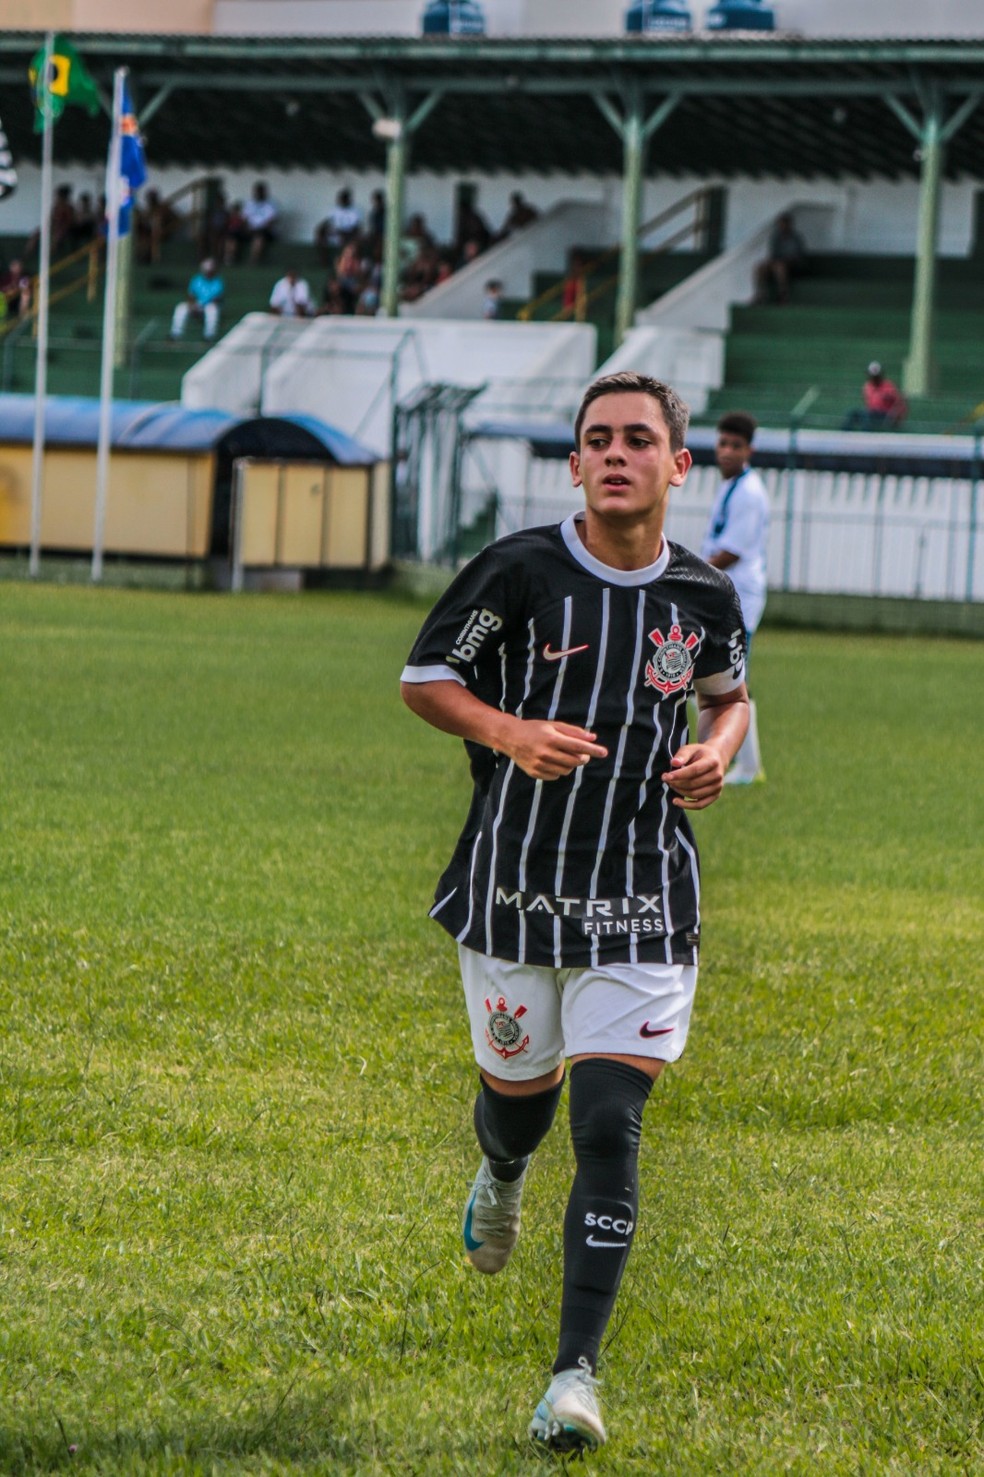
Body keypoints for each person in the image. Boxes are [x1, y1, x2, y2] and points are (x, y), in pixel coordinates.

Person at [400, 370, 749, 1455]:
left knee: (606, 1123)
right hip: (516, 887)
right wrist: (510, 732)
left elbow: (730, 696)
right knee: (520, 1105)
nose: (615, 455)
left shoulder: (703, 596)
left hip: (642, 890)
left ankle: (573, 1377)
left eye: (637, 439)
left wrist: (717, 752)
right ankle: (502, 1170)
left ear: (677, 465)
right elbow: (424, 678)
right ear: (575, 463)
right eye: (597, 439)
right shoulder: (518, 570)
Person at [700, 411, 769, 784]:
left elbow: (731, 552)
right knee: (711, 679)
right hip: (723, 597)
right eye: (723, 443)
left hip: (738, 599)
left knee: (732, 681)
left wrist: (691, 574)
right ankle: (727, 760)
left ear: (749, 451)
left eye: (736, 446)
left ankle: (746, 766)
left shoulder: (749, 492)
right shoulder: (732, 485)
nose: (726, 451)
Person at [753, 211, 805, 304]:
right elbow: (773, 254)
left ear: (789, 224)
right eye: (781, 224)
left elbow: (797, 256)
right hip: (777, 263)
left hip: (793, 266)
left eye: (784, 224)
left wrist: (785, 260)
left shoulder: (796, 238)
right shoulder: (776, 237)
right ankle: (760, 294)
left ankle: (783, 295)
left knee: (780, 267)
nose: (782, 226)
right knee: (760, 267)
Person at [169, 258, 225, 341]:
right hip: (196, 305)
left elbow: (217, 298)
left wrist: (202, 305)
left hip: (209, 305)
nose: (208, 273)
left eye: (210, 271)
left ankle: (209, 335)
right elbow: (191, 295)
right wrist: (192, 304)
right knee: (181, 307)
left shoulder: (218, 281)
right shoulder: (196, 279)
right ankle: (176, 333)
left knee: (211, 309)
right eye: (206, 271)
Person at [842, 362, 908, 431]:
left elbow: (899, 402)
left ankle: (866, 434)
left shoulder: (888, 386)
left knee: (866, 415)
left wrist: (895, 416)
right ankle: (844, 434)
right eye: (872, 376)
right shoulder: (867, 386)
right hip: (871, 412)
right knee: (852, 413)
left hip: (884, 414)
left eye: (876, 377)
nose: (874, 379)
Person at [315, 187, 362, 263]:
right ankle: (323, 258)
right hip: (336, 232)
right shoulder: (335, 210)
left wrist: (343, 232)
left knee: (352, 236)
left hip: (348, 234)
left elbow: (356, 227)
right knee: (320, 232)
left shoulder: (354, 211)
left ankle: (344, 260)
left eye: (344, 199)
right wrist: (323, 227)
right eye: (341, 199)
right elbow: (327, 221)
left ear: (348, 199)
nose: (342, 201)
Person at [241, 181, 279, 265]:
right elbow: (244, 219)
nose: (259, 193)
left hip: (265, 231)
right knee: (232, 236)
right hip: (250, 230)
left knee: (259, 236)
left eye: (261, 191)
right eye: (257, 191)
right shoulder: (249, 203)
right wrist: (247, 228)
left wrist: (260, 229)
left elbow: (272, 220)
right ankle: (229, 260)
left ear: (265, 192)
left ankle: (254, 260)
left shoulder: (271, 204)